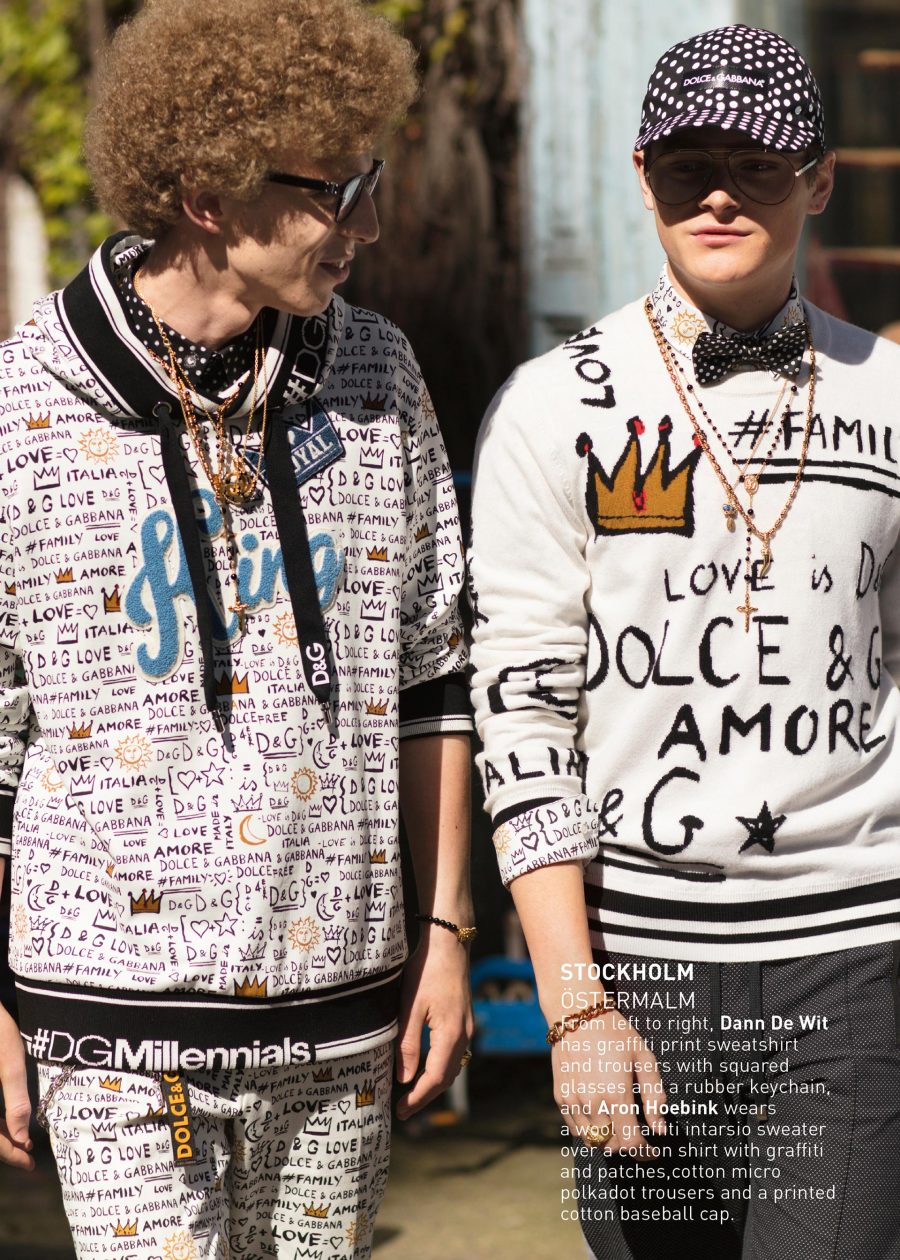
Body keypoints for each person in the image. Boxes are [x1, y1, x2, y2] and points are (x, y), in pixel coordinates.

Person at [0, 1, 475, 1256]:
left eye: (371, 183)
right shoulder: (20, 409)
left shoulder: (377, 376)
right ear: (210, 196)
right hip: (107, 1019)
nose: (367, 225)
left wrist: (444, 933)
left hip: (342, 1016)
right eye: (337, 194)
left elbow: (434, 674)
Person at [470, 23, 900, 1260]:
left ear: (820, 180)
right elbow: (520, 708)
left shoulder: (888, 394)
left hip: (851, 955)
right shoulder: (553, 405)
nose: (718, 195)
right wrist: (573, 1006)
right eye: (685, 166)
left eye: (756, 165)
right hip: (636, 968)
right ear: (641, 174)